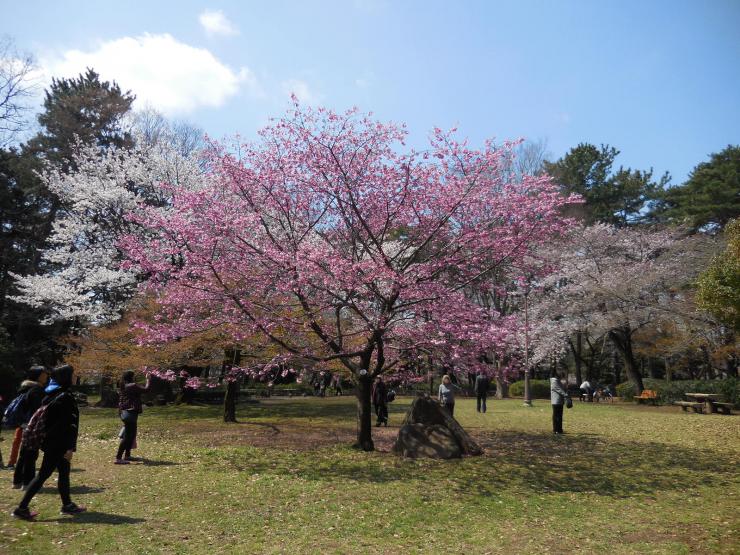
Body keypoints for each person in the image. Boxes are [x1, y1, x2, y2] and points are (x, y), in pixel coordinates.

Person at [12, 364, 86, 520]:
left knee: (64, 472)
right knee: (43, 474)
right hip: (58, 444)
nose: (75, 377)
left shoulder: (52, 393)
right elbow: (66, 425)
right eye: (73, 374)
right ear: (66, 377)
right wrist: (68, 447)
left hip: (52, 442)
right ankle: (21, 508)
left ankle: (67, 504)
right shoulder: (64, 396)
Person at [12, 366, 49, 489]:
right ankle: (28, 483)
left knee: (24, 453)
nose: (46, 375)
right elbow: (38, 409)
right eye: (44, 373)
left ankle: (17, 481)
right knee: (31, 454)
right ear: (38, 375)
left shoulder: (25, 387)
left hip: (23, 424)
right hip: (32, 425)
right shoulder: (36, 390)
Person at [115, 370, 151, 464]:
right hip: (130, 413)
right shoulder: (132, 386)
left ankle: (127, 455)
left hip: (126, 412)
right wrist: (148, 380)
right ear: (131, 377)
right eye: (134, 376)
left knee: (131, 435)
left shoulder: (124, 386)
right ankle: (118, 458)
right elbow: (146, 390)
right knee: (127, 436)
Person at [550, 369, 569, 434]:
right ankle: (556, 430)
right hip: (556, 401)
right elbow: (559, 390)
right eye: (561, 375)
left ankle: (559, 429)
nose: (562, 377)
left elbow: (562, 389)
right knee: (556, 416)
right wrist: (566, 395)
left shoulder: (558, 381)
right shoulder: (554, 381)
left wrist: (566, 386)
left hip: (560, 401)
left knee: (560, 416)